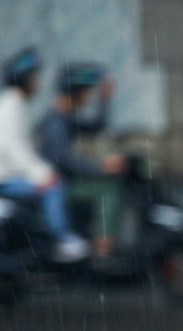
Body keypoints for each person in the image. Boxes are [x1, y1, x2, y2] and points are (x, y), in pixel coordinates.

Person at [0, 47, 90, 263]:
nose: (37, 83)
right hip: (6, 179)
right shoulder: (11, 106)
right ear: (25, 79)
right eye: (34, 77)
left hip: (11, 174)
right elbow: (12, 148)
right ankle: (62, 239)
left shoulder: (15, 104)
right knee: (54, 186)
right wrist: (41, 174)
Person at [38, 63, 125, 257]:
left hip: (63, 180)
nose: (89, 96)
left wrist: (105, 101)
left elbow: (96, 126)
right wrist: (101, 167)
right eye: (87, 91)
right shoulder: (55, 123)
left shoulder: (65, 119)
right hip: (61, 184)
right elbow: (64, 160)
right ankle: (103, 248)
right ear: (75, 92)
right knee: (108, 189)